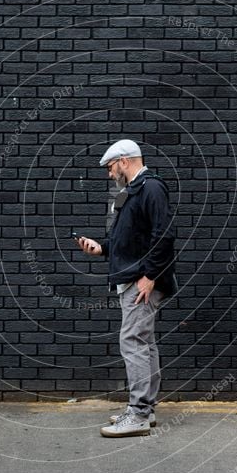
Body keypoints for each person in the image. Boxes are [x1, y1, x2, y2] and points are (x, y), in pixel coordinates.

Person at [76, 139, 177, 437]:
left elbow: (166, 234)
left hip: (141, 282)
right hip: (135, 278)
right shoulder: (134, 192)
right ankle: (145, 409)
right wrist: (102, 248)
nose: (109, 173)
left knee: (132, 342)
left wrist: (150, 276)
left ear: (123, 161)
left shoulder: (151, 188)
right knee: (143, 343)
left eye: (110, 167)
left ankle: (139, 413)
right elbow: (133, 240)